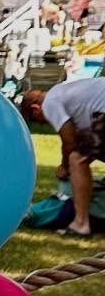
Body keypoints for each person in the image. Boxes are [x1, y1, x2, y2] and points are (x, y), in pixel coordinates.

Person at [21, 78, 105, 237]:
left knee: (76, 159)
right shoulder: (64, 92)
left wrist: (65, 166)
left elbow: (69, 141)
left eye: (38, 120)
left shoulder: (50, 103)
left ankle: (81, 224)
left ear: (35, 108)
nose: (44, 123)